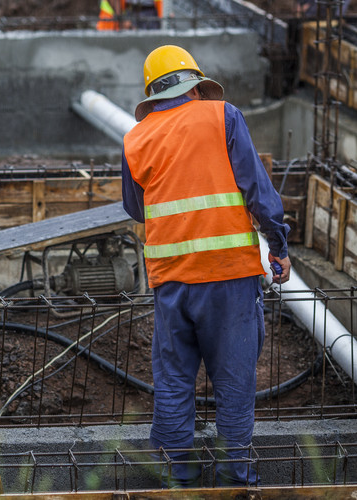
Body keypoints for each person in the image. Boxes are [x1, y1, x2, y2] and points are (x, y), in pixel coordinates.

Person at [121, 45, 291, 487]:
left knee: (174, 382)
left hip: (171, 281)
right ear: (196, 85)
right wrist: (278, 243)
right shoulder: (223, 116)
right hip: (228, 276)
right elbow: (257, 189)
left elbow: (136, 209)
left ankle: (180, 479)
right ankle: (236, 480)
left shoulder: (135, 138)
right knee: (234, 386)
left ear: (152, 95)